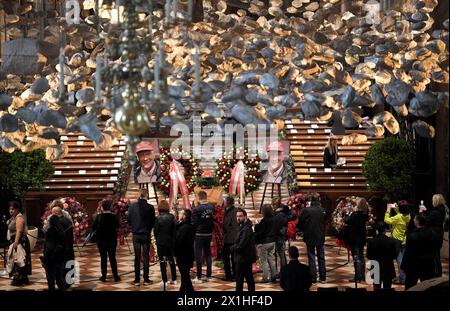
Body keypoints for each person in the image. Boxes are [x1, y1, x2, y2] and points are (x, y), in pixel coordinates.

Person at [402, 213, 438, 289]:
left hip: (413, 266)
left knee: (410, 287)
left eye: (415, 218)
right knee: (427, 287)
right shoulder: (433, 233)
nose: (413, 219)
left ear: (417, 221)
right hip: (428, 265)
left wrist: (404, 266)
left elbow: (408, 252)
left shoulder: (412, 236)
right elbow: (435, 250)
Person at [127, 189, 156, 286]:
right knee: (146, 257)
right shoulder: (150, 207)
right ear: (146, 196)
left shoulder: (132, 207)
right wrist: (148, 228)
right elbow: (153, 221)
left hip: (136, 235)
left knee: (137, 257)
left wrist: (135, 226)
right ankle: (146, 279)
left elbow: (129, 220)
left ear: (139, 196)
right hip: (146, 234)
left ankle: (137, 280)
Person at [296, 193, 326, 283]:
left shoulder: (307, 210)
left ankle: (313, 278)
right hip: (320, 235)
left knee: (311, 256)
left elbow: (300, 222)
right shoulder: (323, 210)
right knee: (321, 256)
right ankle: (323, 277)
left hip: (310, 235)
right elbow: (326, 221)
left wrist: (301, 229)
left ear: (311, 200)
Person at [91, 198, 121, 282]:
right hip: (112, 239)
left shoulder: (99, 216)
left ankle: (103, 276)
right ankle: (116, 276)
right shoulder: (113, 216)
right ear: (110, 208)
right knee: (112, 258)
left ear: (102, 208)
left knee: (103, 258)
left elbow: (93, 227)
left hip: (101, 240)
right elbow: (117, 226)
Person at [384, 201, 411, 284]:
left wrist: (388, 210)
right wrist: (396, 207)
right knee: (403, 259)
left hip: (396, 240)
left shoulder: (398, 217)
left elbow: (386, 220)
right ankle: (404, 277)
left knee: (399, 259)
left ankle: (403, 278)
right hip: (404, 240)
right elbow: (401, 213)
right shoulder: (408, 216)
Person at [191, 191, 215, 283]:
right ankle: (209, 276)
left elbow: (194, 223)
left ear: (198, 198)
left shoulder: (197, 209)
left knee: (198, 255)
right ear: (206, 197)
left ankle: (199, 276)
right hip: (208, 233)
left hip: (199, 234)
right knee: (208, 254)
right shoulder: (211, 207)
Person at [6, 201, 31, 286]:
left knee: (19, 259)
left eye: (12, 209)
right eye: (10, 209)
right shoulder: (14, 217)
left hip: (20, 241)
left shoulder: (19, 217)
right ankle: (22, 278)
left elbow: (19, 231)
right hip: (16, 240)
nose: (11, 211)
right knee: (16, 258)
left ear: (17, 209)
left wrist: (16, 242)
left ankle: (19, 279)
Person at [366, 222, 397, 290]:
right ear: (385, 230)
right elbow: (394, 256)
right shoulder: (391, 241)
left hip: (376, 267)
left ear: (377, 229)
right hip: (388, 267)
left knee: (376, 288)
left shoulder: (371, 241)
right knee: (387, 287)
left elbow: (368, 255)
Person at [50, 202, 75, 288]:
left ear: (56, 214)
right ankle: (69, 282)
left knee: (62, 267)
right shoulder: (68, 220)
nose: (51, 216)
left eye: (52, 214)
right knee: (70, 264)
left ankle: (64, 284)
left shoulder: (58, 223)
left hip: (62, 249)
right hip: (69, 247)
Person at [231, 208, 256, 292]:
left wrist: (232, 248)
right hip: (244, 258)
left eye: (240, 216)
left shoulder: (246, 229)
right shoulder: (244, 226)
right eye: (237, 216)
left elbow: (241, 245)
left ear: (245, 216)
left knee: (240, 280)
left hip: (243, 258)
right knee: (248, 278)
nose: (238, 218)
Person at [344, 197, 369, 283]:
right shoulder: (365, 214)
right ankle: (362, 276)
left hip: (354, 239)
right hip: (362, 238)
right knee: (361, 256)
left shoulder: (355, 214)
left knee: (356, 257)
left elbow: (347, 220)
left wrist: (348, 212)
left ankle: (357, 276)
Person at [154, 200, 177, 287]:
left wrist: (157, 239)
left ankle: (164, 280)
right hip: (170, 242)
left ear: (159, 208)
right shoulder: (172, 217)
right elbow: (174, 231)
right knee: (171, 260)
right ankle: (174, 279)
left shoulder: (157, 218)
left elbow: (156, 231)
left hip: (161, 242)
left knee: (162, 261)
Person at [42, 215, 66, 290]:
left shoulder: (51, 231)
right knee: (60, 279)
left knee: (51, 280)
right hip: (60, 257)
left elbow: (49, 247)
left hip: (51, 259)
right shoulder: (61, 229)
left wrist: (44, 258)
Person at [254, 204, 277, 283]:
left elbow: (259, 230)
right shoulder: (274, 219)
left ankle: (265, 278)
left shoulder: (264, 221)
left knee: (263, 260)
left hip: (265, 242)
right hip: (273, 241)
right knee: (271, 259)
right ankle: (274, 275)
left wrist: (256, 224)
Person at [175, 209, 195, 292]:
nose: (178, 214)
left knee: (185, 276)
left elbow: (179, 241)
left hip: (183, 255)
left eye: (180, 213)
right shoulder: (184, 225)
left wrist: (175, 252)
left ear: (184, 216)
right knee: (184, 276)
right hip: (186, 254)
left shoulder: (185, 227)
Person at [426, 194, 447, 277]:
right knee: (436, 254)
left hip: (434, 235)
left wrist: (423, 212)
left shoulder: (435, 212)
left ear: (436, 201)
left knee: (434, 256)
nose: (432, 201)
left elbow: (427, 220)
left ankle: (437, 273)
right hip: (439, 234)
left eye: (433, 200)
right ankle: (438, 272)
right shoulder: (442, 210)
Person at [221, 196, 239, 281]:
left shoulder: (231, 212)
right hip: (233, 237)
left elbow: (227, 225)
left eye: (223, 201)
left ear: (227, 203)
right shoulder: (233, 210)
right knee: (232, 258)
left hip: (230, 238)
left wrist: (223, 230)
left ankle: (229, 275)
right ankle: (235, 275)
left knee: (227, 257)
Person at [272, 197, 291, 271]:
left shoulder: (279, 214)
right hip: (281, 235)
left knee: (281, 255)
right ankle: (283, 271)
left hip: (280, 236)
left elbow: (277, 226)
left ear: (275, 205)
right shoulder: (283, 211)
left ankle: (283, 271)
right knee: (281, 255)